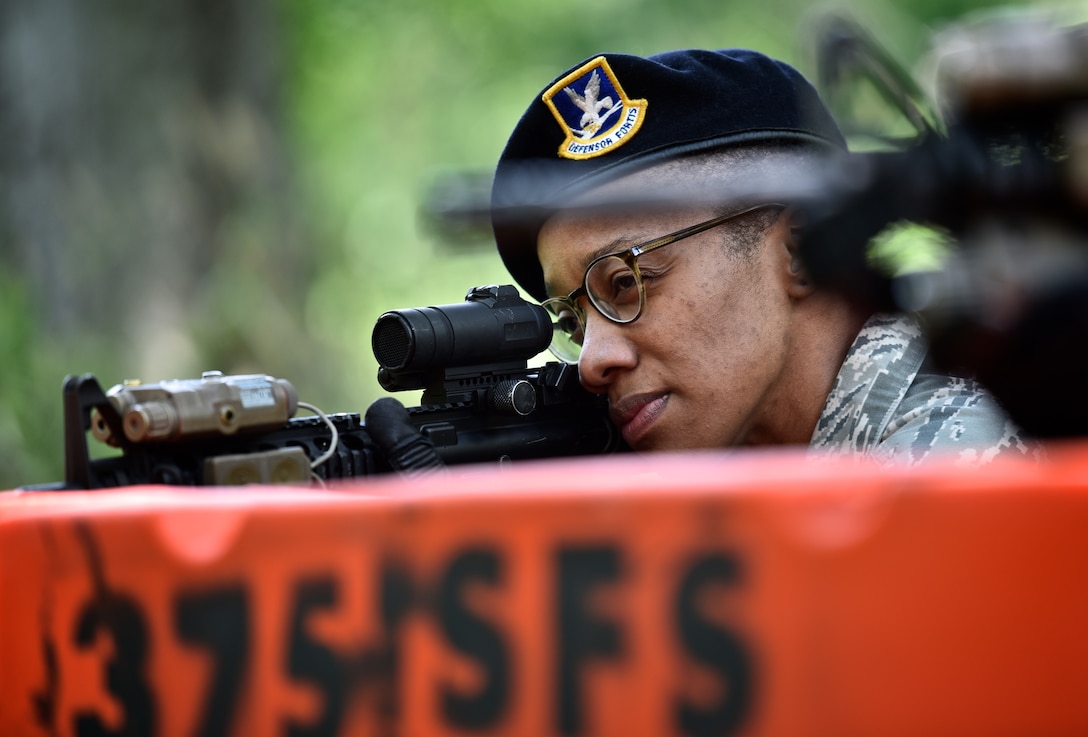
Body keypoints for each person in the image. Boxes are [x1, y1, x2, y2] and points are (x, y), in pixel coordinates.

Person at [488, 48, 1036, 465]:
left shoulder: (952, 461)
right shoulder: (774, 479)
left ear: (802, 249)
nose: (591, 362)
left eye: (627, 282)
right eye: (572, 320)